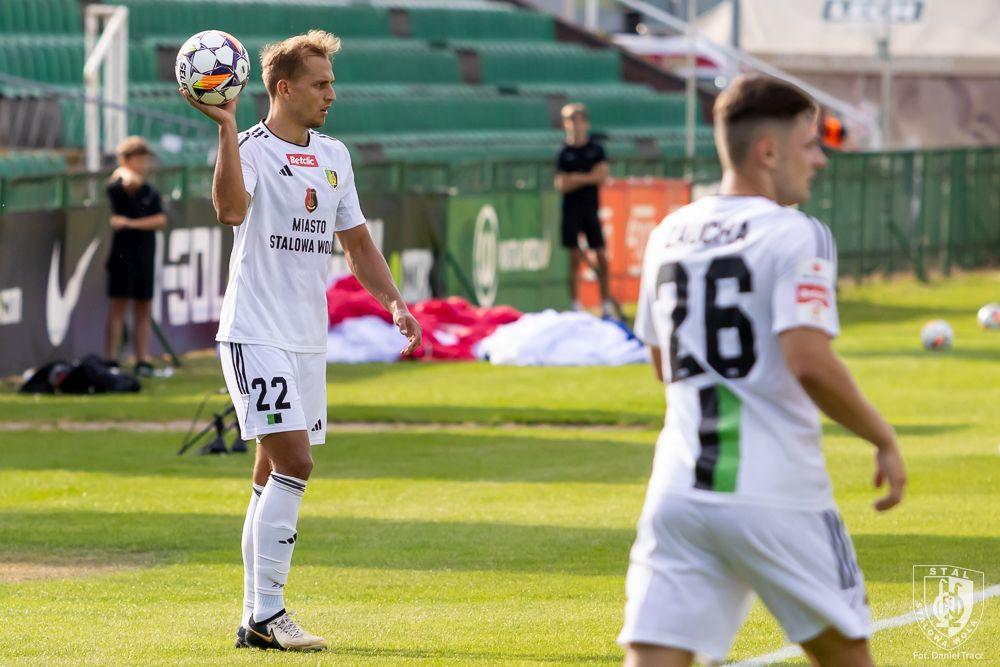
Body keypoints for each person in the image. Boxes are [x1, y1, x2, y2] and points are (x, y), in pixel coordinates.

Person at [619, 74, 907, 667]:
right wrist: (882, 436)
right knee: (848, 655)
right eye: (810, 145)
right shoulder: (797, 234)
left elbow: (661, 365)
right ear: (768, 151)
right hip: (778, 493)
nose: (821, 161)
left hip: (679, 491)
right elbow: (810, 361)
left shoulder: (669, 231)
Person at [181, 30, 421, 652]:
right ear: (283, 89)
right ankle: (270, 613)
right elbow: (231, 212)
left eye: (331, 83)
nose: (330, 95)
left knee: (268, 475)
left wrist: (394, 300)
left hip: (306, 340)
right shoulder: (253, 149)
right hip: (254, 332)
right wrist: (227, 129)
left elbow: (358, 244)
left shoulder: (335, 156)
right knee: (296, 463)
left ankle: (252, 618)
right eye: (320, 84)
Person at [104, 136, 166, 376]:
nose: (143, 164)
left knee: (143, 307)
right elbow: (124, 179)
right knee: (118, 305)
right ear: (125, 159)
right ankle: (110, 360)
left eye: (145, 159)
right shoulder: (119, 182)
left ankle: (142, 360)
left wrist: (130, 223)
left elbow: (160, 220)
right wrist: (124, 169)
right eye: (138, 159)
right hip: (121, 253)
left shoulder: (150, 190)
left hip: (144, 252)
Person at [554, 103, 613, 315]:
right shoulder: (563, 152)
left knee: (600, 255)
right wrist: (588, 177)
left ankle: (605, 303)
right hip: (571, 209)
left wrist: (575, 178)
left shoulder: (595, 150)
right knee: (574, 257)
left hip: (590, 209)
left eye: (578, 119)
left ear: (585, 123)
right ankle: (575, 304)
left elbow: (602, 175)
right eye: (570, 120)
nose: (574, 124)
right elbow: (561, 184)